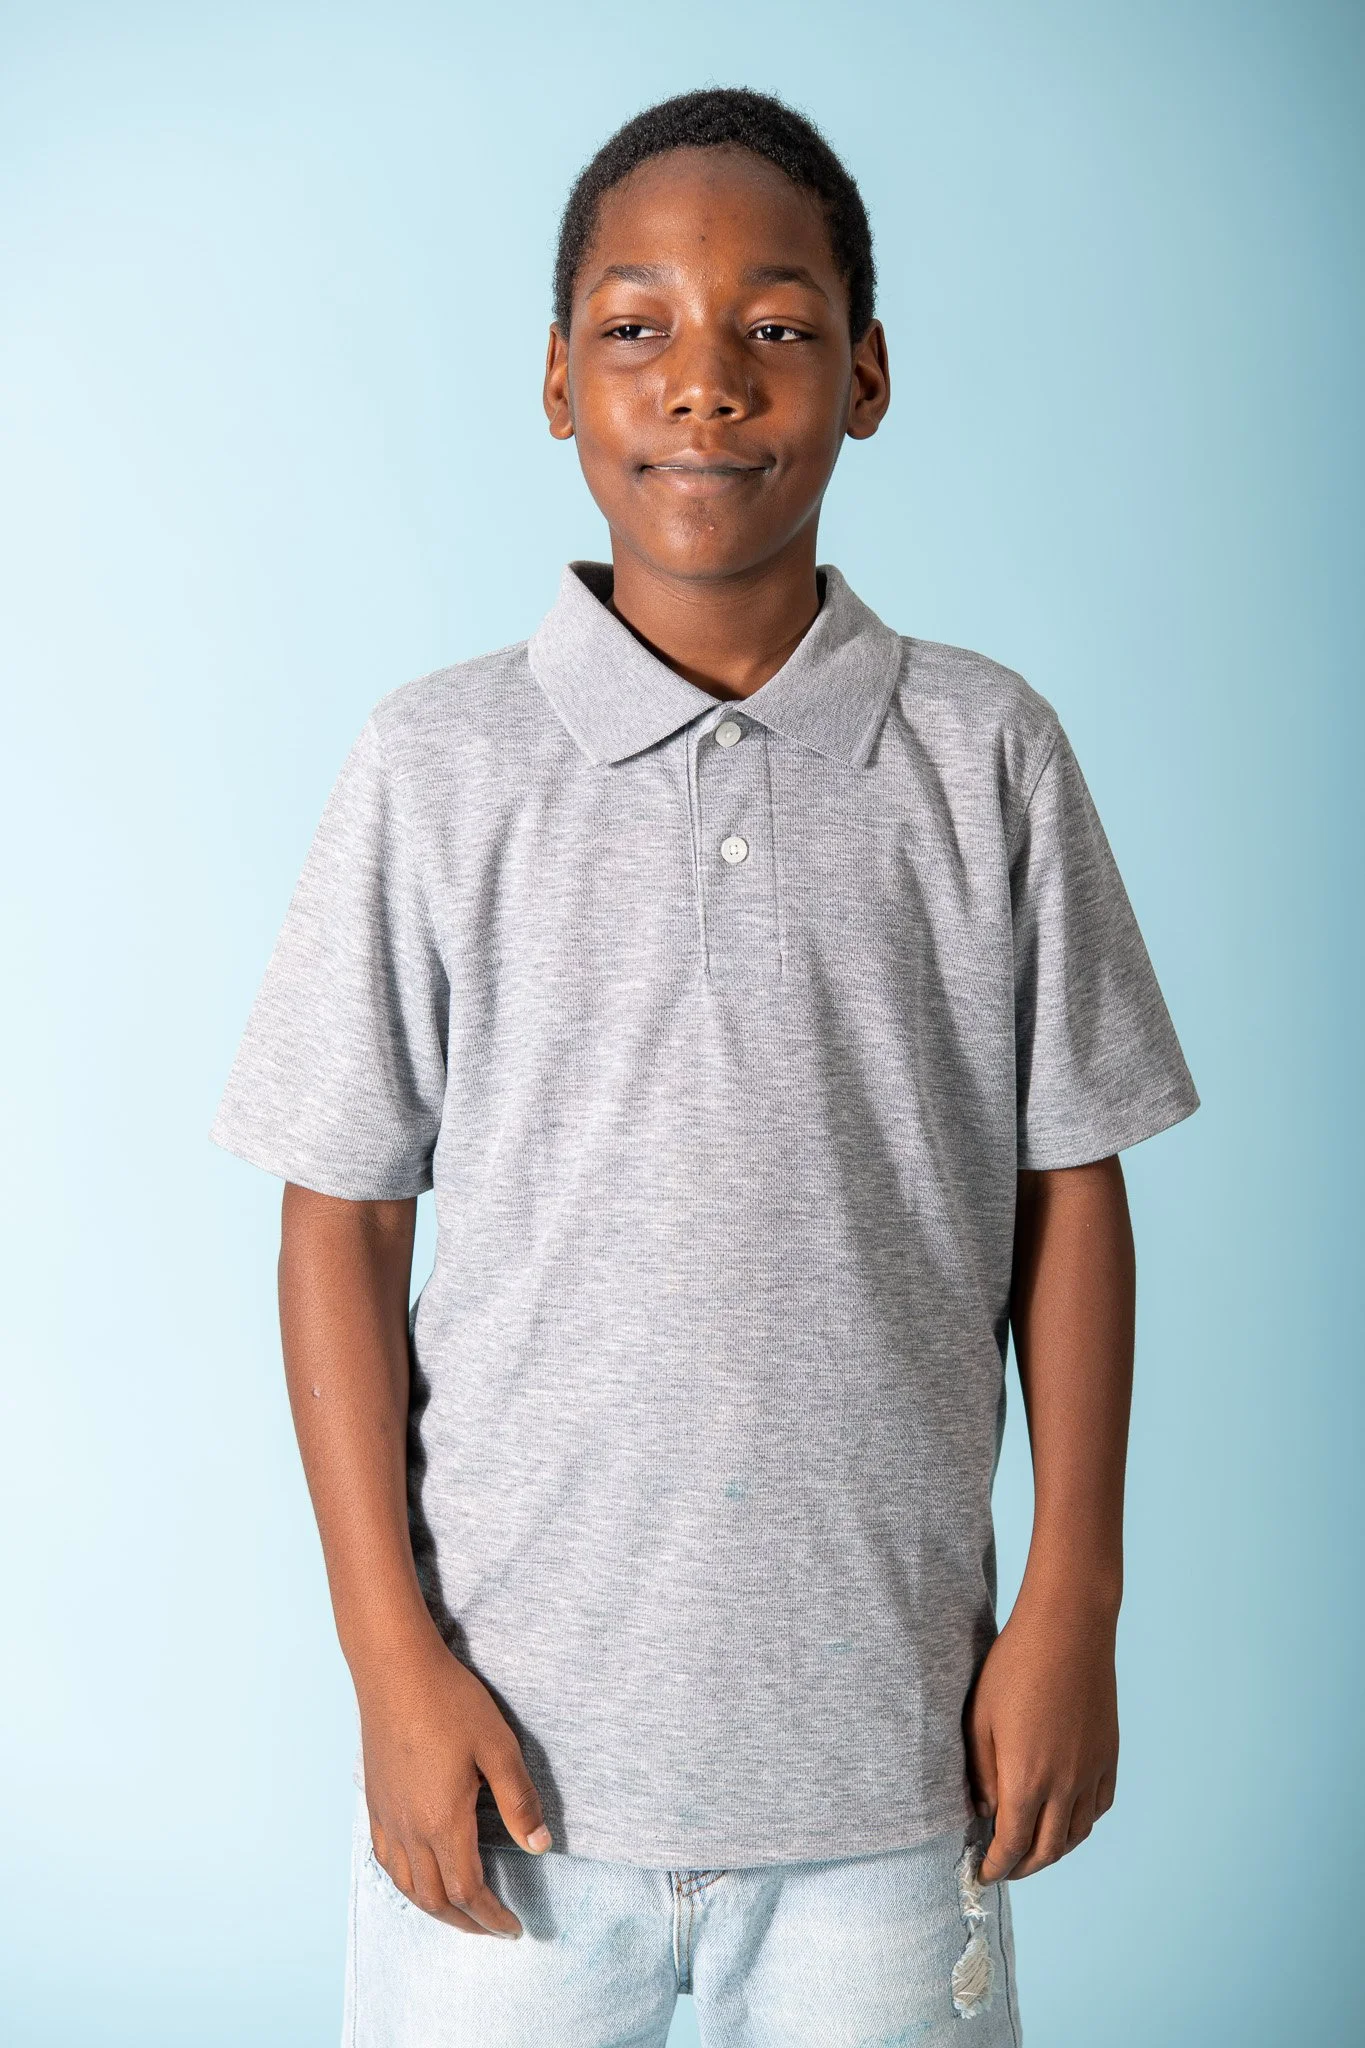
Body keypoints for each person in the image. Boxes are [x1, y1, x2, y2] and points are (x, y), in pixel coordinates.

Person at [210, 84, 1199, 2048]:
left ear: (868, 372)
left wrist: (1070, 1599)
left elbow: (1066, 1189)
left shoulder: (984, 754)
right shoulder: (436, 765)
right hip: (502, 1790)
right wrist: (387, 1664)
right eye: (639, 325)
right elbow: (337, 1221)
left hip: (893, 1783)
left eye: (776, 323)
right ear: (560, 382)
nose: (709, 379)